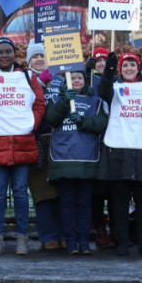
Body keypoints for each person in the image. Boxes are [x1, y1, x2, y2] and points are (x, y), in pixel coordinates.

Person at [0, 37, 46, 256]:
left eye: (8, 51)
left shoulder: (27, 76)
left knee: (21, 192)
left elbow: (39, 103)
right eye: (0, 52)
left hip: (22, 142)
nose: (4, 55)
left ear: (15, 54)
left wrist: (33, 123)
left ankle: (22, 237)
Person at [97, 51, 142, 256]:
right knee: (120, 201)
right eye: (125, 66)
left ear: (138, 68)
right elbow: (103, 90)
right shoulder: (114, 88)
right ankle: (123, 243)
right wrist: (108, 70)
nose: (129, 69)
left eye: (132, 65)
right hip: (118, 148)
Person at [45, 70, 108, 254]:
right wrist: (65, 100)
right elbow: (51, 118)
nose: (77, 80)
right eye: (73, 78)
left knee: (84, 203)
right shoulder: (57, 100)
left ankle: (84, 241)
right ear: (66, 82)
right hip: (64, 160)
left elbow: (101, 124)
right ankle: (71, 242)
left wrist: (83, 121)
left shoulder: (96, 102)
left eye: (80, 77)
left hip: (87, 160)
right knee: (67, 203)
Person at [25, 42, 64, 250]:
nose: (39, 59)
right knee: (42, 192)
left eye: (42, 55)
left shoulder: (59, 79)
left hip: (59, 140)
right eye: (35, 56)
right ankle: (48, 234)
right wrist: (39, 83)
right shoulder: (24, 79)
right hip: (37, 140)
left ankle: (64, 232)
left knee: (61, 191)